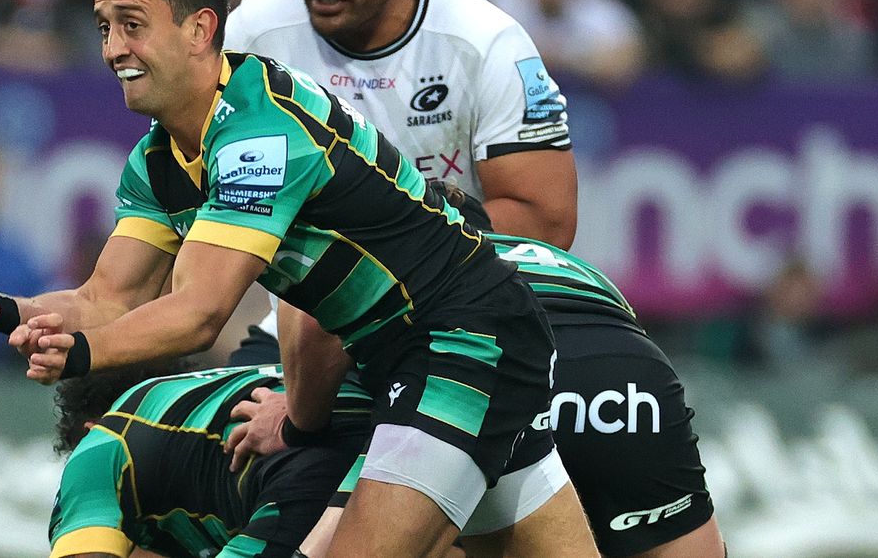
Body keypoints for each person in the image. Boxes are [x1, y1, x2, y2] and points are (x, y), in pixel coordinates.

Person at [0, 0, 596, 557]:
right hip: (412, 359)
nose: (113, 49)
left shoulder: (260, 132)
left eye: (133, 25)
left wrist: (78, 354)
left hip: (463, 344)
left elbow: (200, 312)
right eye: (105, 27)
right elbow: (108, 297)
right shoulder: (157, 160)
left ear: (200, 29)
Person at [232, 182, 724, 558]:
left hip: (488, 376)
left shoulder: (417, 256)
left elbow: (316, 325)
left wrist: (297, 422)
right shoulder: (559, 259)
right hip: (626, 378)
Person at [222, 0, 574, 366]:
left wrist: (381, 249)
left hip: (455, 317)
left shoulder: (487, 42)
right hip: (307, 324)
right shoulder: (254, 33)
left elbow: (548, 221)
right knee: (222, 413)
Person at [50, 362, 373, 558]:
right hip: (382, 440)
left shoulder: (102, 441)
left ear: (89, 431)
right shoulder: (196, 403)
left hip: (301, 471)